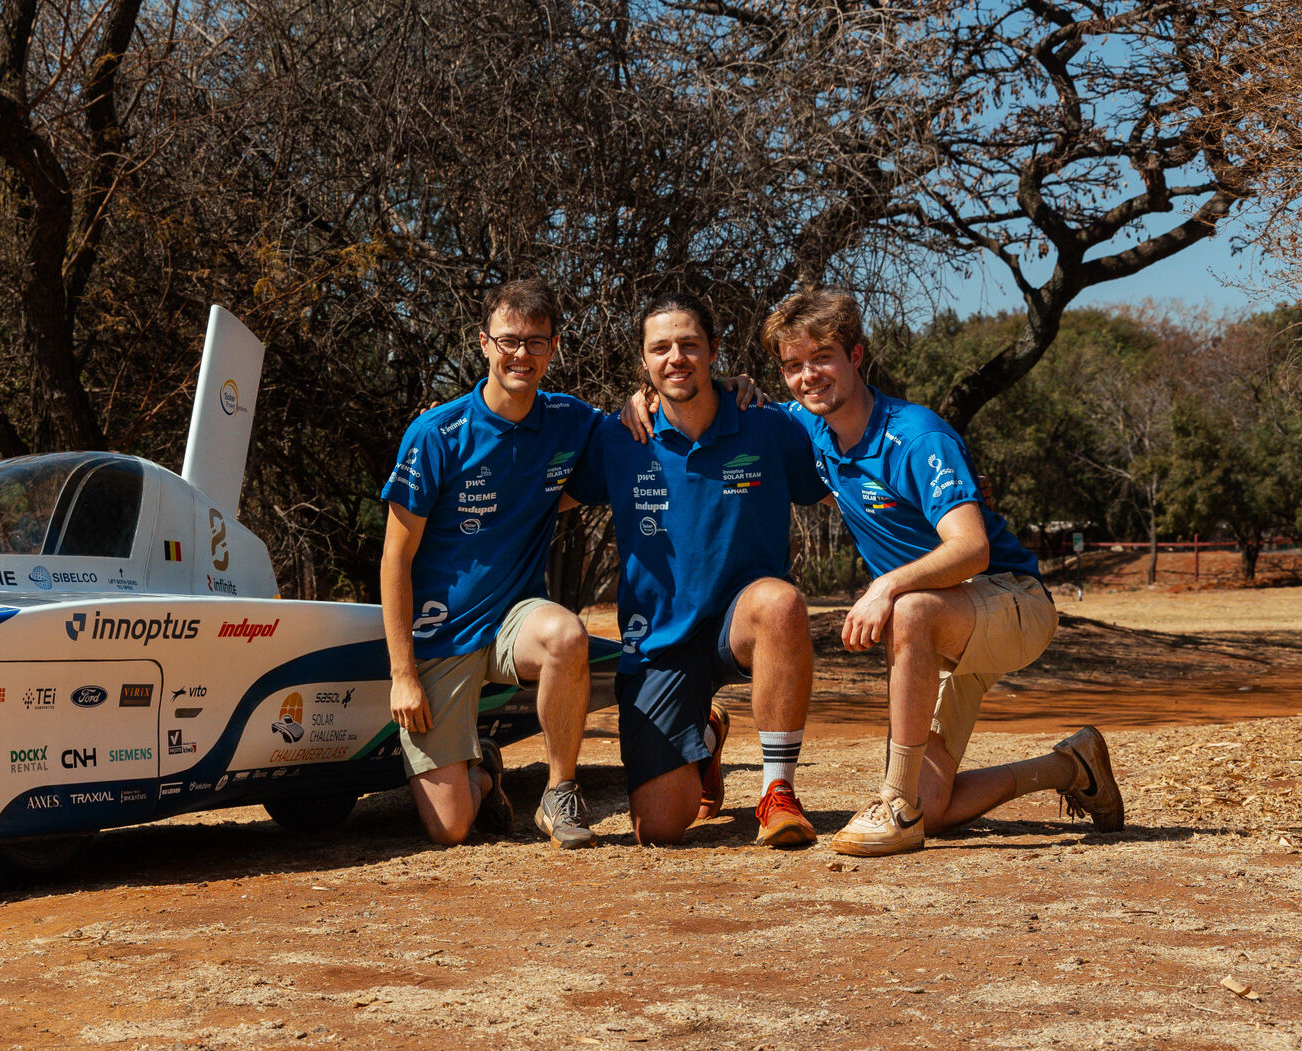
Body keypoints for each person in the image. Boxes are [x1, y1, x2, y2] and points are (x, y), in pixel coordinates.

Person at [759, 288, 1123, 856]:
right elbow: (728, 404)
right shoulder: (810, 428)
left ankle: (895, 806)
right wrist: (656, 399)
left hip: (1011, 601)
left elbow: (972, 549)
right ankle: (1070, 767)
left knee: (909, 607)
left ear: (855, 355)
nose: (808, 376)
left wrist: (887, 583)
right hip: (939, 630)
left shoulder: (918, 435)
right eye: (792, 365)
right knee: (942, 808)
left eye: (822, 357)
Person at [576, 292, 825, 847]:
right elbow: (550, 491)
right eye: (660, 348)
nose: (676, 358)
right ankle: (706, 740)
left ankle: (777, 793)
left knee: (780, 602)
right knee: (660, 826)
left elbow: (838, 485)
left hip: (741, 621)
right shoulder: (617, 437)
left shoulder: (768, 426)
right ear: (644, 362)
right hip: (659, 641)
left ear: (714, 351)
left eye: (690, 344)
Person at [380, 277, 601, 849]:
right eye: (508, 340)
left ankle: (559, 794)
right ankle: (483, 772)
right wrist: (403, 674)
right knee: (449, 828)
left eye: (534, 342)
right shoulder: (436, 434)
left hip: (513, 621)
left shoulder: (572, 422)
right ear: (483, 344)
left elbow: (647, 422)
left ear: (553, 348)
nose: (520, 354)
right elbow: (394, 560)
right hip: (441, 634)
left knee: (568, 636)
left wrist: (727, 387)